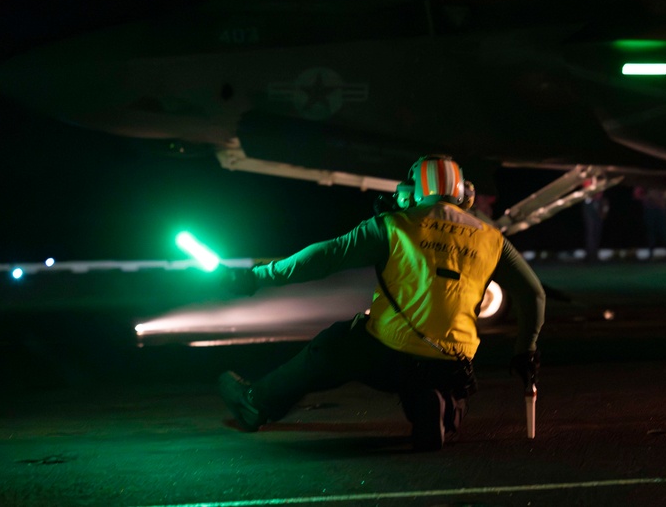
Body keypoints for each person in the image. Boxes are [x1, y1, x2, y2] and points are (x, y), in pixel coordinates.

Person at [217, 155, 546, 451]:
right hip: (451, 361)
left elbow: (324, 257)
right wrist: (525, 349)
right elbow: (533, 294)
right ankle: (436, 408)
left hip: (388, 352)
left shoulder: (393, 226)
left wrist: (259, 276)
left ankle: (255, 404)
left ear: (412, 191)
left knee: (331, 347)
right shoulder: (492, 239)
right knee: (437, 386)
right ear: (465, 194)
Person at [633, 185, 666, 258]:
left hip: (660, 209)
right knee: (650, 232)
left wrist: (661, 200)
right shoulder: (644, 184)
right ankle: (651, 253)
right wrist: (647, 197)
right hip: (649, 209)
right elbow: (637, 194)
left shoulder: (661, 183)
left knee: (664, 231)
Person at [581, 188, 609, 262]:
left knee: (597, 235)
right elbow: (586, 207)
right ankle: (589, 254)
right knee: (590, 235)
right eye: (598, 193)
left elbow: (605, 210)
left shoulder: (602, 201)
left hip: (598, 219)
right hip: (590, 218)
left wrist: (603, 214)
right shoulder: (588, 200)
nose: (599, 195)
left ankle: (595, 253)